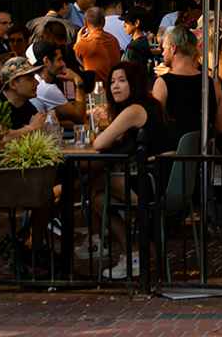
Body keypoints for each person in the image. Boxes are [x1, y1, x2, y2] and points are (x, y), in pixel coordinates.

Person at [89, 59, 169, 279]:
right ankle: (133, 253)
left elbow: (99, 143)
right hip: (160, 179)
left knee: (92, 185)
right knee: (96, 195)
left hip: (149, 183)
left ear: (134, 83)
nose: (115, 86)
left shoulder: (134, 109)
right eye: (112, 81)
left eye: (122, 81)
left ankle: (132, 254)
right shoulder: (151, 105)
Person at [152, 24, 222, 146]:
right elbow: (220, 127)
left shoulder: (162, 83)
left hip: (174, 156)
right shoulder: (213, 82)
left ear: (173, 48)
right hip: (205, 154)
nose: (163, 53)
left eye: (164, 48)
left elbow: (156, 126)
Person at [0, 55, 49, 129]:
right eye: (29, 78)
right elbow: (0, 138)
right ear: (13, 84)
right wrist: (31, 128)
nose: (37, 82)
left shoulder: (27, 106)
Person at [74, 7, 121, 82]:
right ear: (104, 22)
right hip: (113, 84)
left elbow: (75, 59)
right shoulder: (113, 40)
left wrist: (78, 41)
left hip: (96, 88)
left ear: (85, 23)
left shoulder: (84, 43)